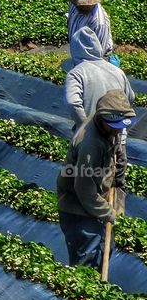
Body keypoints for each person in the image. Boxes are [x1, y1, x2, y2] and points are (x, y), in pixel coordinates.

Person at [57, 90, 135, 268]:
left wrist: (117, 198)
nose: (120, 129)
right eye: (116, 125)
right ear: (104, 119)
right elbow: (84, 188)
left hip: (95, 205)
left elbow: (117, 159)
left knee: (105, 250)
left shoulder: (107, 127)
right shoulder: (90, 144)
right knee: (88, 260)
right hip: (78, 208)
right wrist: (108, 213)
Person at [64, 27, 134, 131]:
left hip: (93, 134)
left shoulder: (76, 73)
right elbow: (130, 97)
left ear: (75, 49)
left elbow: (72, 102)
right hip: (116, 131)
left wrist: (85, 127)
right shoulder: (117, 71)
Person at [65, 0, 115, 71]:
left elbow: (99, 53)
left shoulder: (99, 22)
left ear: (93, 3)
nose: (81, 7)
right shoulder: (74, 2)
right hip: (78, 50)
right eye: (80, 4)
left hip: (93, 57)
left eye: (85, 5)